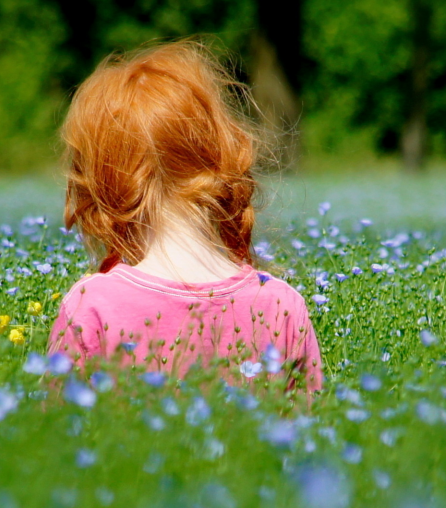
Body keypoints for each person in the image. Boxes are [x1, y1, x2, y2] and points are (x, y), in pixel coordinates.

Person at [46, 41, 322, 394]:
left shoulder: (92, 306)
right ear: (222, 155)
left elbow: (52, 438)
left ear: (102, 188)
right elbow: (307, 438)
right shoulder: (282, 307)